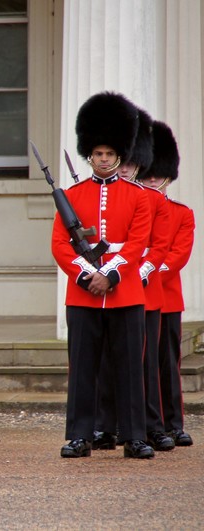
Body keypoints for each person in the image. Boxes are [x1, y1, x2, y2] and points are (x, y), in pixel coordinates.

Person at [52, 92, 154, 459]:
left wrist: (109, 275)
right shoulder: (74, 195)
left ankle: (134, 434)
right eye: (98, 154)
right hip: (83, 294)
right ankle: (81, 434)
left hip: (124, 291)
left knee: (128, 365)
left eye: (110, 154)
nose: (104, 159)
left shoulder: (139, 197)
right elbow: (61, 244)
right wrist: (85, 276)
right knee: (82, 367)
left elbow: (137, 243)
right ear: (89, 156)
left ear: (120, 156)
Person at [94, 109, 175, 452]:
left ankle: (152, 426)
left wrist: (139, 272)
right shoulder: (110, 193)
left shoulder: (154, 200)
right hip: (113, 287)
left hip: (145, 289)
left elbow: (159, 247)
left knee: (145, 365)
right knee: (108, 365)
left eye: (124, 160)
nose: (122, 166)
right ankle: (106, 426)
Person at [140, 120, 195, 447]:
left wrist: (147, 271)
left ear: (168, 175)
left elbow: (177, 255)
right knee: (141, 365)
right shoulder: (138, 208)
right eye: (148, 173)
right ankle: (148, 424)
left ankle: (173, 423)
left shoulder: (181, 213)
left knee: (166, 364)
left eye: (158, 174)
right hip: (137, 298)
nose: (153, 179)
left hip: (167, 297)